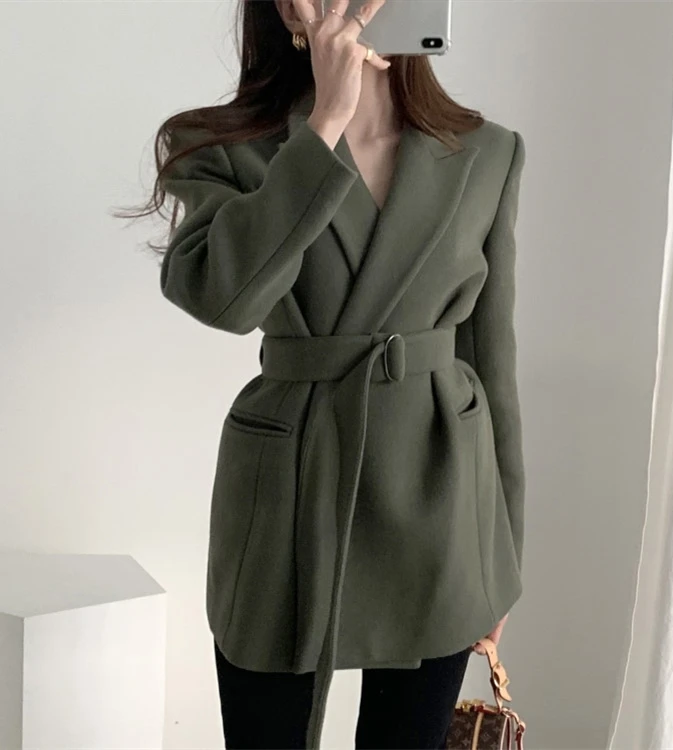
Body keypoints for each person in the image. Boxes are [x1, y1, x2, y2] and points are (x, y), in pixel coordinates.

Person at [120, 0, 526, 746]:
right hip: (289, 489)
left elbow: (491, 357)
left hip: (440, 496)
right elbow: (225, 299)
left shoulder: (486, 152)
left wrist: (503, 554)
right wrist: (324, 125)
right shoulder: (218, 146)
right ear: (284, 8)